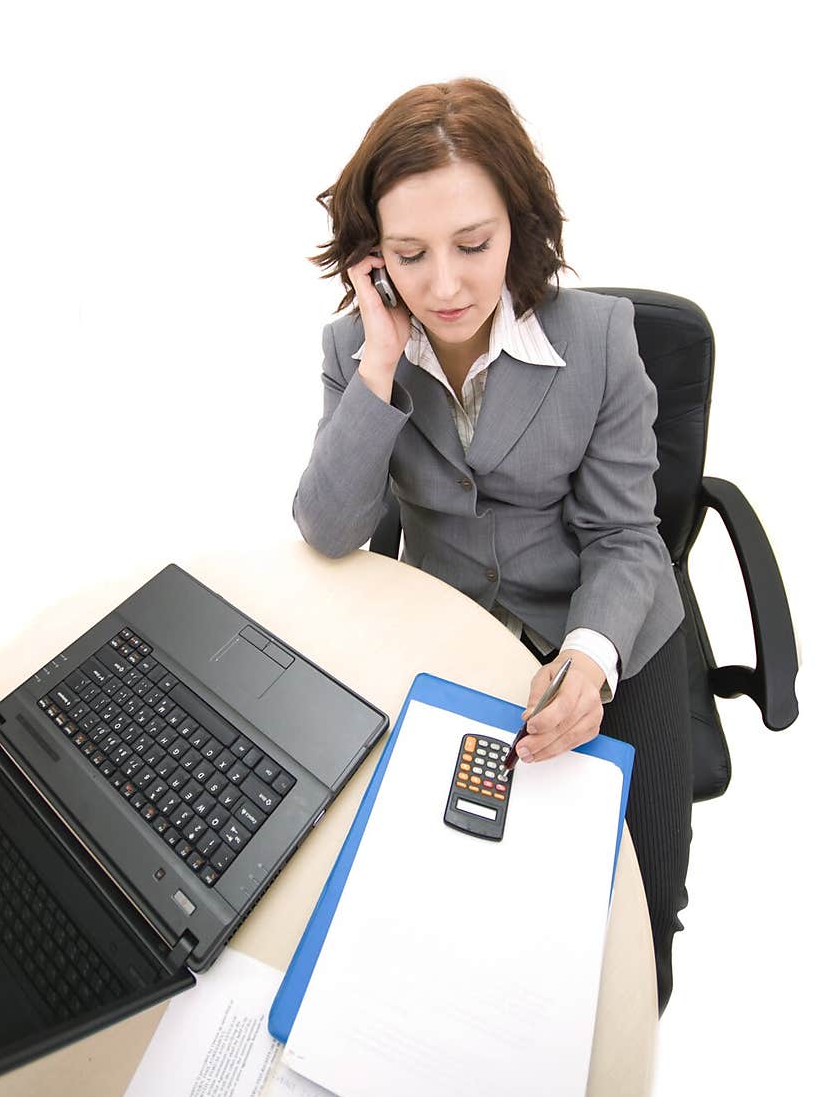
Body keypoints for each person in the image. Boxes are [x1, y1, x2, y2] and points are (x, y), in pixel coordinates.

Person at [292, 77, 693, 1015]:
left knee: (642, 906)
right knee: (421, 888)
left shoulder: (599, 340)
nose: (444, 285)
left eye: (473, 245)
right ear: (373, 258)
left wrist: (592, 663)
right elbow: (329, 527)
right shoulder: (356, 343)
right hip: (449, 625)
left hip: (605, 619)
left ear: (519, 225)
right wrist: (382, 363)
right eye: (409, 254)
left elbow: (627, 535)